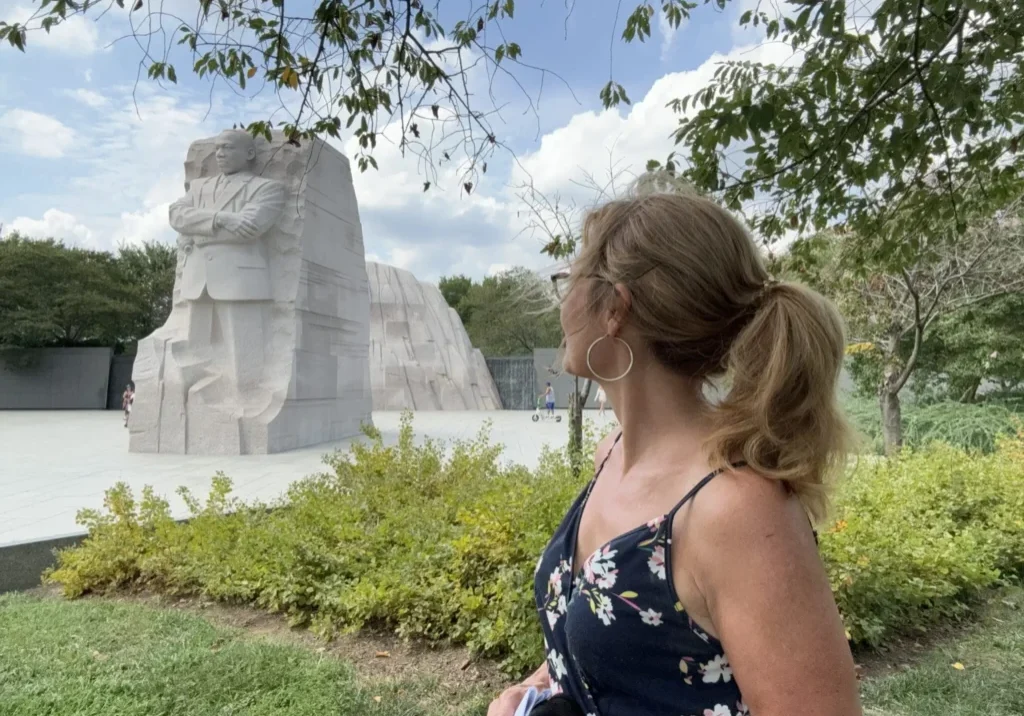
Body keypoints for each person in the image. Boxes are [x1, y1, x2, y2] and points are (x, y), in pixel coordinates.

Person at [489, 186, 861, 716]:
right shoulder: (610, 455)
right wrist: (534, 688)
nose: (563, 302)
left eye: (569, 281)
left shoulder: (734, 507)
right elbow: (621, 643)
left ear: (615, 308)